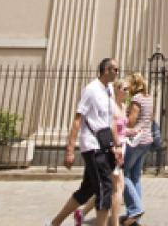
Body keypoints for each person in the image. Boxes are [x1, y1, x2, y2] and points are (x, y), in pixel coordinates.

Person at [46, 58, 119, 226]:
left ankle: (55, 223)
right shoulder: (91, 89)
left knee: (88, 189)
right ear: (106, 70)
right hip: (92, 146)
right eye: (115, 69)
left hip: (105, 145)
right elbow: (78, 120)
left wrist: (117, 146)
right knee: (104, 188)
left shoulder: (109, 90)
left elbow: (111, 120)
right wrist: (70, 150)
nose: (117, 73)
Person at [121, 72, 154, 225]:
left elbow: (131, 122)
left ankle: (135, 209)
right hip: (146, 139)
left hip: (135, 141)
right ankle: (134, 215)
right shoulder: (149, 97)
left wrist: (122, 116)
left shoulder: (136, 99)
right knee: (135, 176)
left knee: (123, 174)